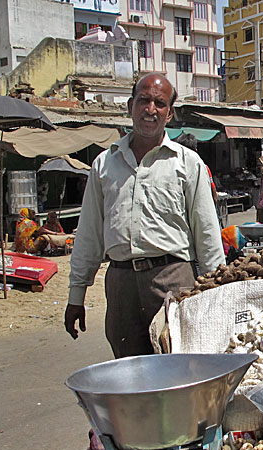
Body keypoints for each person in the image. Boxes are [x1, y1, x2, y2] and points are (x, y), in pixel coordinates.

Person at [65, 73, 224, 358]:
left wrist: (219, 295)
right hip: (121, 283)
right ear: (130, 106)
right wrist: (76, 295)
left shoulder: (187, 163)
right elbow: (88, 235)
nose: (150, 110)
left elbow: (207, 233)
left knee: (178, 367)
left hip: (173, 280)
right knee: (131, 373)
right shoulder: (104, 165)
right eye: (144, 101)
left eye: (160, 104)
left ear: (170, 113)